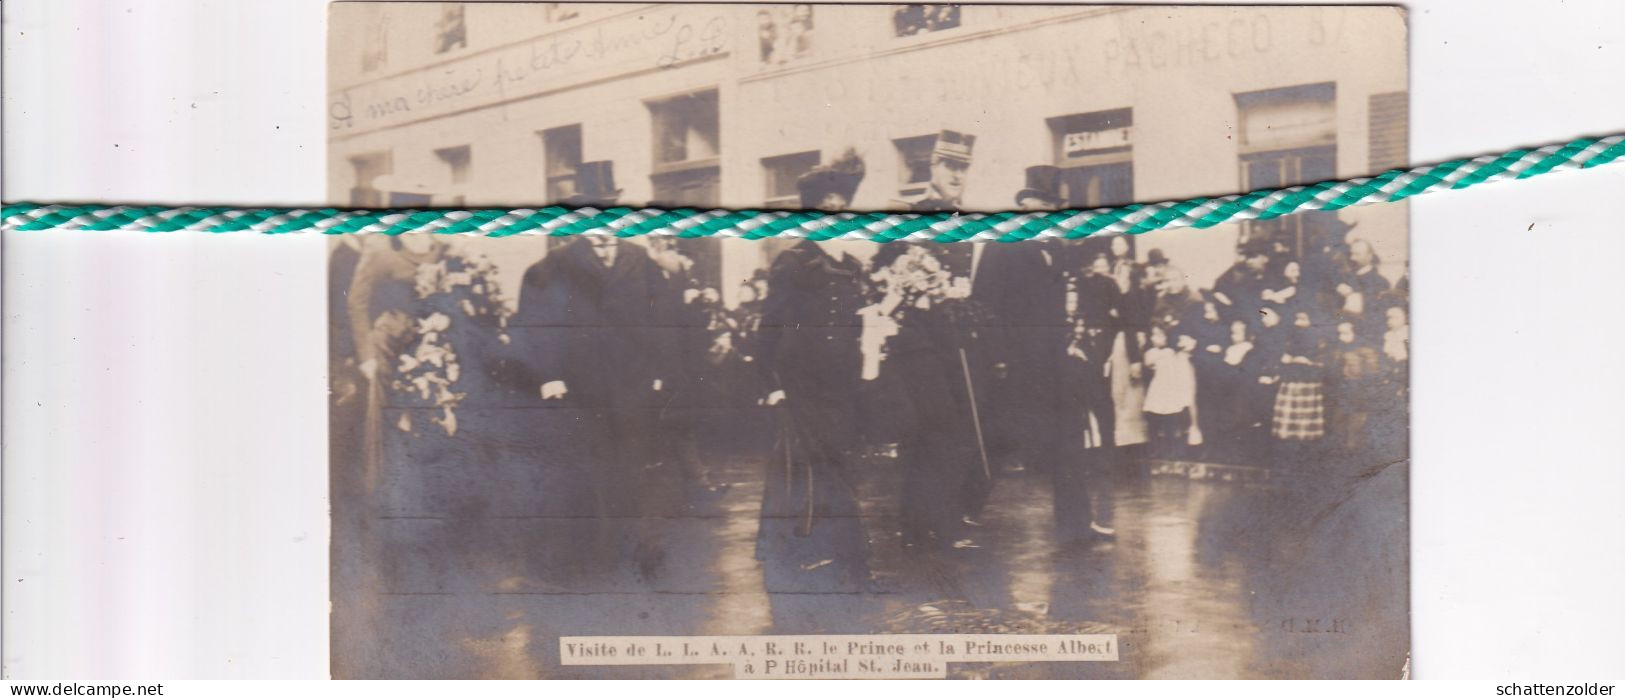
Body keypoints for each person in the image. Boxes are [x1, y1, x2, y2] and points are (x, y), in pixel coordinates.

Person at [500, 161, 672, 584]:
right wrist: (549, 376)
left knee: (633, 465)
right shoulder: (551, 267)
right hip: (578, 388)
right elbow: (531, 327)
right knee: (587, 469)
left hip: (630, 385)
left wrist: (657, 369)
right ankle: (595, 555)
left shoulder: (640, 261)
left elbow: (661, 320)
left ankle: (638, 548)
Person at [755, 234, 874, 630]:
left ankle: (839, 549)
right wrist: (771, 384)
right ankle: (794, 549)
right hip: (801, 383)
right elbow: (769, 328)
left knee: (837, 462)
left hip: (841, 385)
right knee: (800, 465)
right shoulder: (792, 262)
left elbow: (855, 326)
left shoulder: (851, 267)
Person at [1142, 326, 1197, 461]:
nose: (1155, 338)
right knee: (1154, 421)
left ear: (1167, 338)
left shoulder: (1172, 352)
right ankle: (1155, 450)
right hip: (1157, 390)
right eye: (1154, 335)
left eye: (1160, 335)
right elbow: (1148, 362)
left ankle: (1171, 450)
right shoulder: (1151, 352)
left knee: (1170, 422)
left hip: (1169, 391)